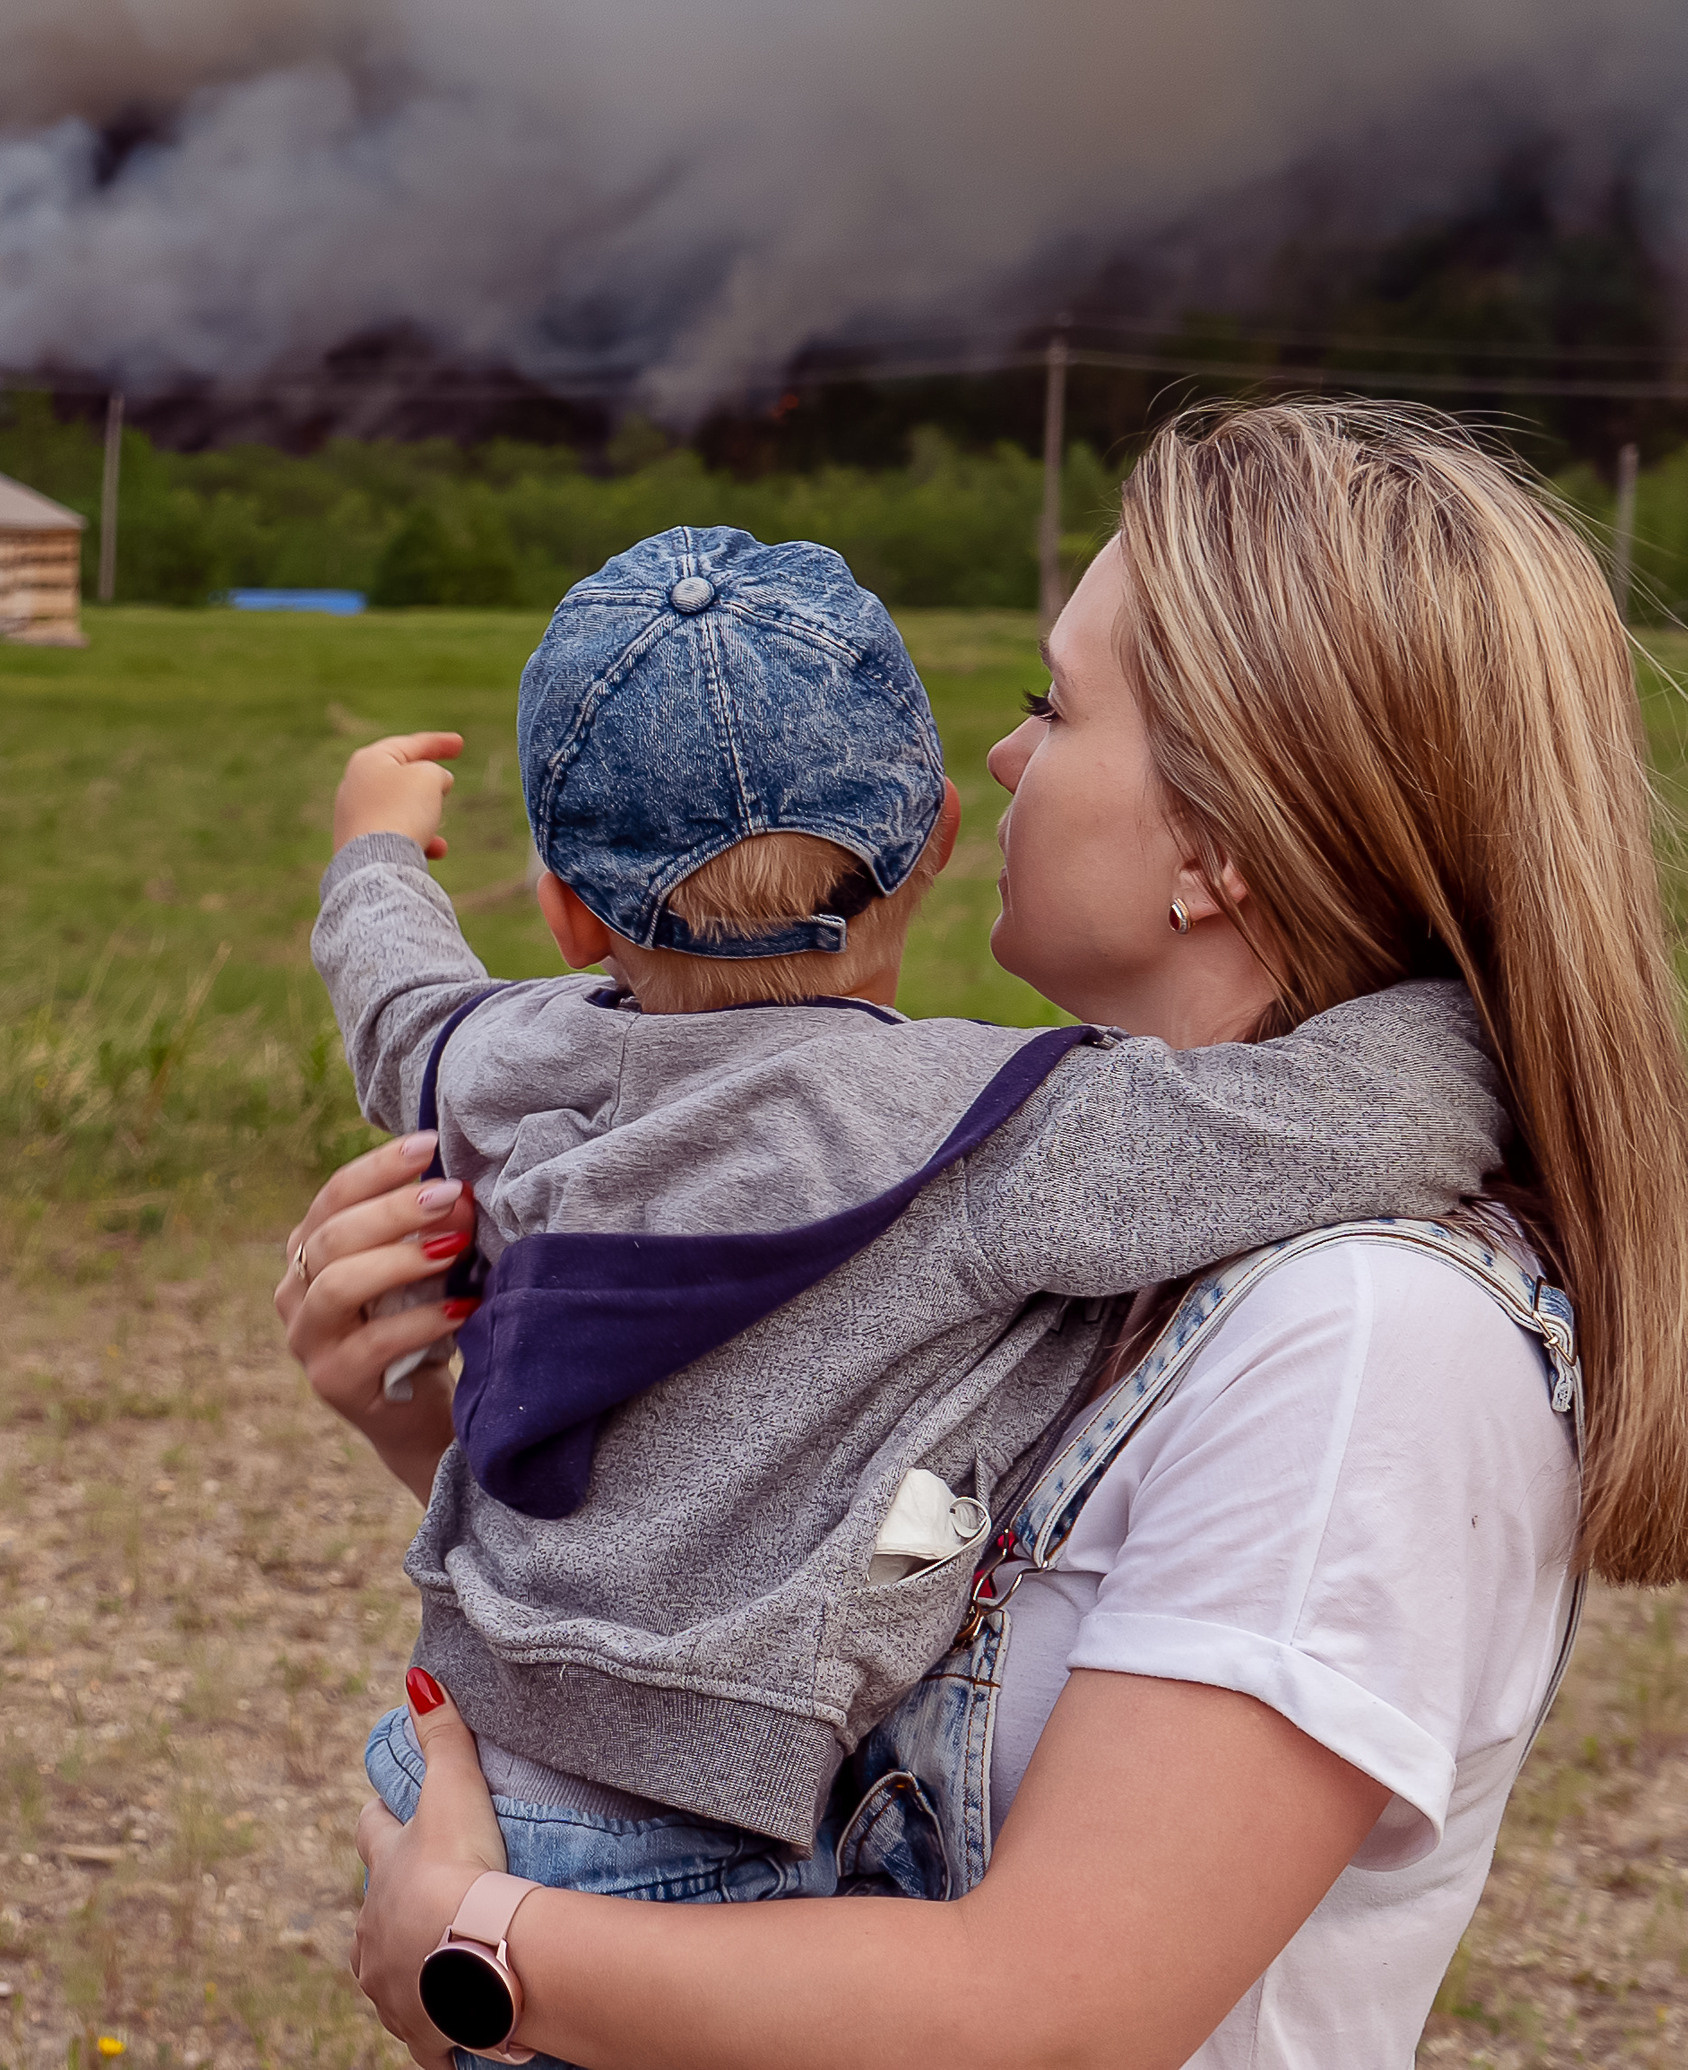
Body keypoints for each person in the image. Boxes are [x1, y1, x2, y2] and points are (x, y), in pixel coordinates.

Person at [281, 401, 1688, 2068]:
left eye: (1054, 702)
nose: (1005, 755)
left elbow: (1058, 2015)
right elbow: (783, 1551)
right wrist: (423, 1417)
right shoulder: (1064, 1191)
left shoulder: (1367, 1335)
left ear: (1218, 846)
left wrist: (485, 1947)